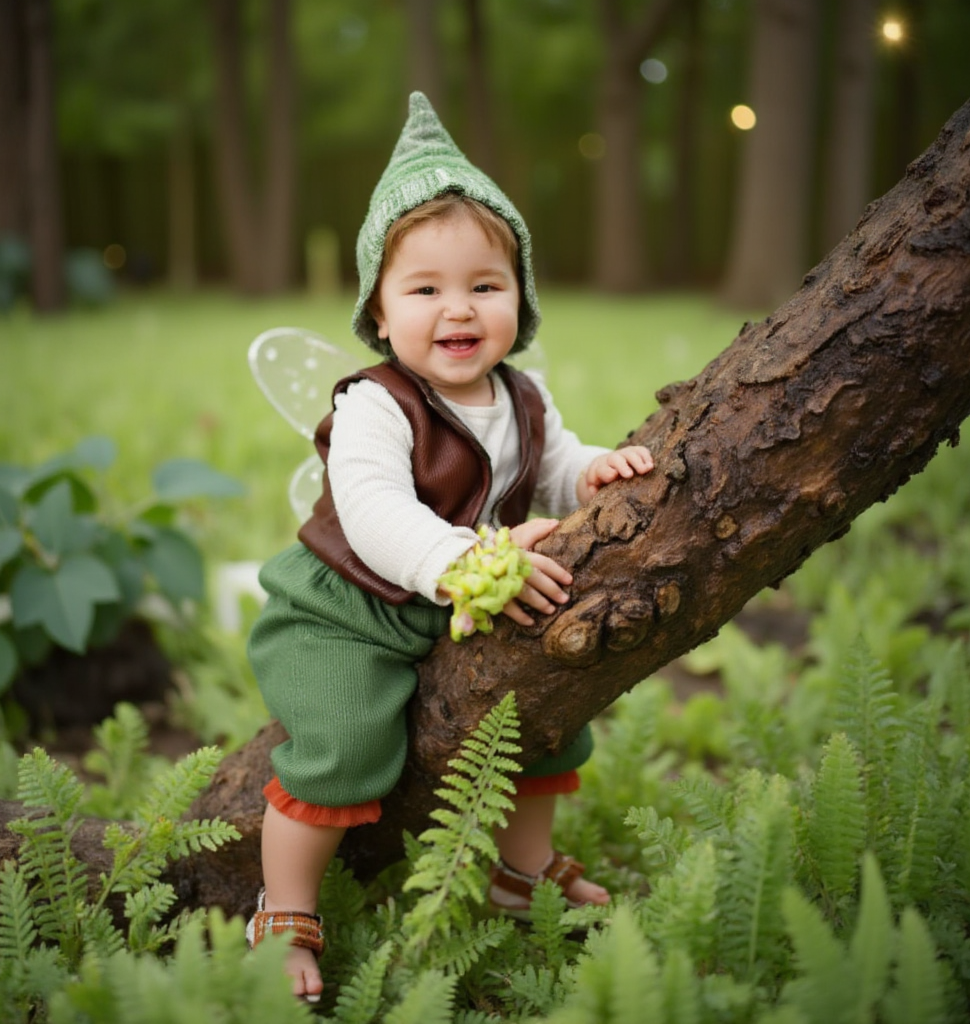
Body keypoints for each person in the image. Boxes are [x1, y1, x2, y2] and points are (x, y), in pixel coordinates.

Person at [246, 91, 654, 1002]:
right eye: (425, 289)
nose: (457, 309)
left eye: (484, 285)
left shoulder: (523, 398)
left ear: (520, 301)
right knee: (343, 741)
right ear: (381, 315)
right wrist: (464, 563)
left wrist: (594, 473)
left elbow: (549, 468)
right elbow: (377, 511)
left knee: (546, 710)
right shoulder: (371, 406)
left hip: (457, 605)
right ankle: (285, 911)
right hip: (346, 613)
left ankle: (521, 872)